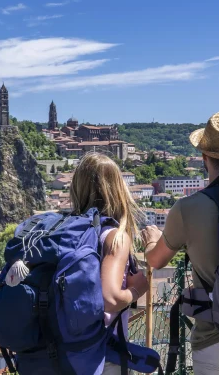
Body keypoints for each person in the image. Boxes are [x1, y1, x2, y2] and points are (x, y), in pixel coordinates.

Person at [143, 111, 219, 375]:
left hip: (216, 336)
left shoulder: (190, 208)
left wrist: (151, 241)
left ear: (204, 158)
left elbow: (156, 260)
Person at [69, 152, 149, 375]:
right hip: (102, 356)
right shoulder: (114, 237)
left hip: (64, 351)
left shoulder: (66, 231)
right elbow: (109, 299)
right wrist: (136, 289)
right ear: (117, 189)